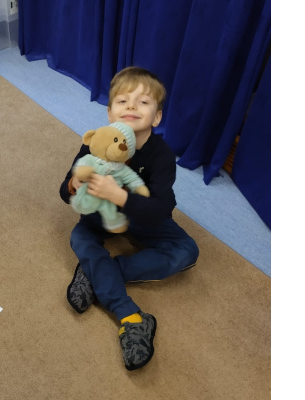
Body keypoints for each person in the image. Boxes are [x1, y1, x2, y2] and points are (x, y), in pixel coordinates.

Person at [60, 66, 199, 371]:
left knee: (187, 251)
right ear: (110, 112)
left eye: (143, 102)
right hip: (101, 216)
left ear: (157, 117)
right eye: (123, 101)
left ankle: (100, 273)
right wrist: (75, 184)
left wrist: (120, 196)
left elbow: (160, 208)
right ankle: (130, 316)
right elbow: (64, 191)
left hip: (144, 218)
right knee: (79, 236)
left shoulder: (162, 155)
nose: (132, 107)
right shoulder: (95, 142)